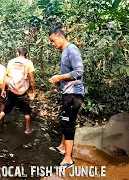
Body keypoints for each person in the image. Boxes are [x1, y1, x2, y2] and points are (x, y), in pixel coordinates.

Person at [48, 26, 85, 168]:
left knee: (68, 123)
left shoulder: (71, 49)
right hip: (68, 93)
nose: (52, 44)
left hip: (74, 94)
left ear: (61, 37)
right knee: (65, 120)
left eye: (53, 41)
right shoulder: (64, 51)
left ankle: (68, 159)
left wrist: (59, 78)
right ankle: (63, 147)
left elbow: (79, 71)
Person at [0, 48, 36, 134]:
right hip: (22, 92)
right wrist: (33, 91)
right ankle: (27, 130)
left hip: (11, 90)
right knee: (26, 110)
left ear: (18, 53)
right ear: (26, 55)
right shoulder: (29, 63)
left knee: (7, 108)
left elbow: (6, 77)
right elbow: (32, 80)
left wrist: (3, 89)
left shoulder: (11, 62)